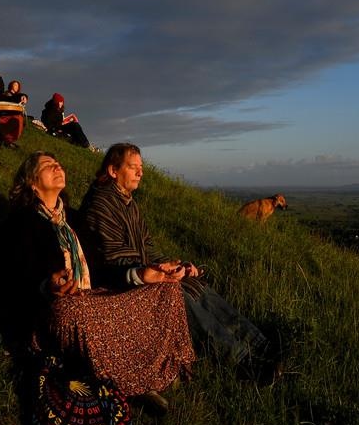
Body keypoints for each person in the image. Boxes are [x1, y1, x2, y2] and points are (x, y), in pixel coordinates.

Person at [1, 151, 194, 407]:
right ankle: (130, 382)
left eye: (58, 163)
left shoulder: (74, 220)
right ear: (32, 183)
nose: (57, 166)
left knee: (165, 287)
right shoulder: (21, 221)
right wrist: (46, 286)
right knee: (70, 310)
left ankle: (151, 368)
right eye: (48, 166)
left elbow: (101, 269)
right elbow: (16, 273)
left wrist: (141, 274)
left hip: (92, 297)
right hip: (55, 308)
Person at [79, 143, 278, 383]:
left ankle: (260, 345)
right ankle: (242, 363)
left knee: (194, 284)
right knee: (176, 295)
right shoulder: (100, 204)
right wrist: (153, 272)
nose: (141, 172)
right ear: (113, 171)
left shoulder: (128, 203)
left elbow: (148, 249)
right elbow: (112, 259)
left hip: (138, 272)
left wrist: (176, 266)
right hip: (118, 284)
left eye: (141, 168)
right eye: (133, 168)